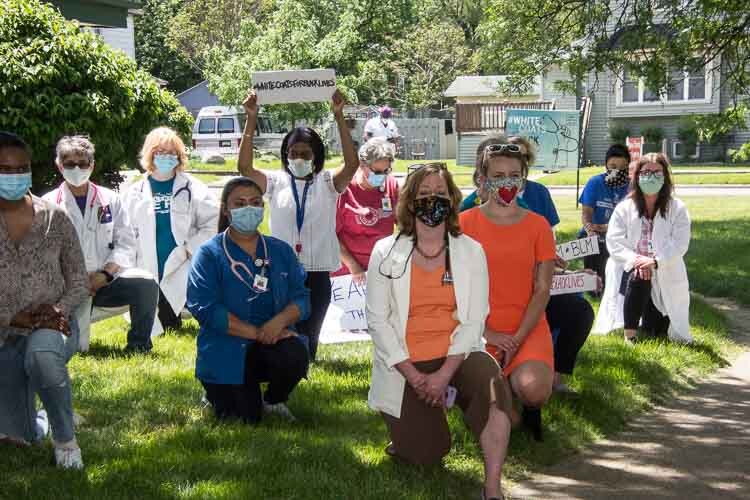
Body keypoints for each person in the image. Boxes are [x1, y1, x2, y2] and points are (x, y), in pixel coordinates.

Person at [367, 163, 512, 500]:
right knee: (426, 455)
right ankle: (411, 429)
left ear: (452, 199)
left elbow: (474, 321)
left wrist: (444, 374)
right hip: (404, 365)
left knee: (492, 385)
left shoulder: (470, 252)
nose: (433, 200)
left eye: (440, 194)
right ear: (409, 202)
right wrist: (416, 377)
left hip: (455, 356)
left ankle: (492, 488)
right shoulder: (385, 252)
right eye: (424, 194)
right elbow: (378, 321)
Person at [237, 89, 359, 361]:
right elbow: (245, 168)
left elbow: (352, 164)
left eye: (306, 153)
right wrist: (251, 118)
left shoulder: (327, 183)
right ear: (286, 154)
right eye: (294, 153)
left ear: (316, 156)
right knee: (283, 332)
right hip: (281, 271)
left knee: (310, 337)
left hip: (316, 274)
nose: (300, 159)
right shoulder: (276, 182)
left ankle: (303, 365)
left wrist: (339, 117)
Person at [187, 177, 310, 423]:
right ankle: (215, 392)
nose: (249, 209)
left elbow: (302, 298)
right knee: (244, 419)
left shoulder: (280, 251)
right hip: (227, 345)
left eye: (255, 202)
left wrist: (278, 323)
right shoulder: (209, 254)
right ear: (226, 209)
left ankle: (274, 400)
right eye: (240, 203)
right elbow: (205, 309)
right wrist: (257, 333)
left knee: (294, 353)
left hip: (272, 340)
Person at [0, 132, 88, 468]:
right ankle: (38, 421)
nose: (14, 176)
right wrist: (11, 317)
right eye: (4, 170)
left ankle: (65, 440)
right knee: (17, 436)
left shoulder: (55, 218)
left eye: (20, 169)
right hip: (4, 333)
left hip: (53, 326)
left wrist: (57, 310)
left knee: (43, 356)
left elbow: (79, 279)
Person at [460, 137, 556, 442]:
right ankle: (495, 392)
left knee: (534, 389)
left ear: (523, 177)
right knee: (505, 424)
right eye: (498, 176)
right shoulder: (463, 224)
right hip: (477, 331)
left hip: (526, 329)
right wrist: (487, 333)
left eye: (514, 175)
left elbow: (542, 290)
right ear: (484, 178)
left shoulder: (539, 226)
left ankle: (522, 395)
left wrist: (518, 338)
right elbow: (454, 288)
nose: (507, 183)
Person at [43, 136, 159, 353]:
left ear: (92, 165)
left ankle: (139, 345)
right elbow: (45, 255)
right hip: (66, 288)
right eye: (69, 164)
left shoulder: (110, 199)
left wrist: (104, 275)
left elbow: (125, 243)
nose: (76, 168)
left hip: (105, 283)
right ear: (59, 166)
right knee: (71, 348)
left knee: (145, 283)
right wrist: (74, 282)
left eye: (83, 163)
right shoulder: (48, 205)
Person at [122, 127, 219, 334]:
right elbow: (125, 232)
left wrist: (190, 249)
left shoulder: (194, 188)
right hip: (147, 261)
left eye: (171, 153)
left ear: (179, 156)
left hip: (182, 261)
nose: (166, 157)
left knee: (176, 299)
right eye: (160, 152)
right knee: (150, 311)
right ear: (149, 154)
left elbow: (212, 222)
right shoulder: (134, 192)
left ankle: (180, 315)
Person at [593, 153, 692, 344]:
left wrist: (655, 262)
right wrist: (637, 261)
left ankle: (648, 320)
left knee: (656, 330)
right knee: (640, 275)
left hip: (663, 270)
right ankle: (629, 336)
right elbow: (615, 242)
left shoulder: (677, 208)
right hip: (630, 270)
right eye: (646, 172)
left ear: (665, 177)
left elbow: (680, 244)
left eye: (657, 172)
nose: (651, 177)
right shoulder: (624, 208)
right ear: (637, 176)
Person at [333, 137, 399, 284]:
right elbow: (329, 235)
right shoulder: (344, 189)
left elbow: (405, 224)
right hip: (347, 274)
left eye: (386, 171)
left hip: (381, 268)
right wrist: (353, 266)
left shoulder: (391, 185)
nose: (382, 176)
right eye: (376, 171)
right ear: (362, 165)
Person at [578, 144, 632, 290]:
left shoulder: (632, 187)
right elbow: (586, 213)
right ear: (606, 165)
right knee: (596, 285)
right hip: (594, 236)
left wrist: (607, 228)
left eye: (622, 167)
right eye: (613, 166)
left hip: (620, 237)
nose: (617, 171)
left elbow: (631, 221)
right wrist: (589, 229)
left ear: (628, 167)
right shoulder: (595, 182)